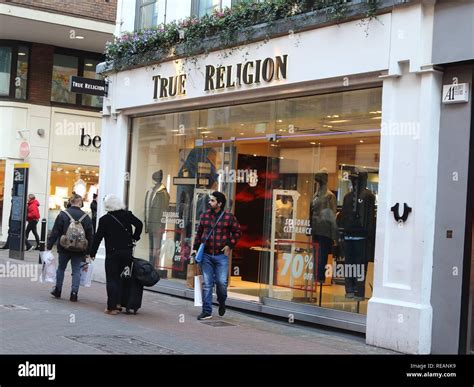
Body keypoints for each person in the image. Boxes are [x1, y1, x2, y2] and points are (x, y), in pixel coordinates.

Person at [90, 194, 143, 315]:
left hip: (112, 253)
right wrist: (135, 238)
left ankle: (112, 307)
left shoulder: (104, 220)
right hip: (127, 252)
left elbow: (97, 238)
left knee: (112, 279)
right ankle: (119, 303)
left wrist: (92, 253)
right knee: (122, 278)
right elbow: (139, 224)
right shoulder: (127, 215)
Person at [193, 191, 241, 320]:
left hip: (221, 256)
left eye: (212, 200)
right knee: (207, 284)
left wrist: (229, 245)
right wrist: (195, 248)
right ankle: (207, 311)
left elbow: (237, 232)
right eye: (210, 200)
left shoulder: (228, 217)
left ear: (219, 203)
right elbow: (199, 233)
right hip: (206, 255)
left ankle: (221, 301)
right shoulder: (205, 216)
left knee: (221, 282)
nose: (209, 202)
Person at [338, 168, 376, 300]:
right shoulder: (348, 197)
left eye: (356, 180)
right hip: (351, 237)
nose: (354, 183)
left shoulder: (368, 197)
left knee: (358, 265)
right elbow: (343, 218)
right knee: (351, 264)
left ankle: (358, 291)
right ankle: (350, 289)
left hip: (361, 238)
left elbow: (370, 220)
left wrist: (370, 240)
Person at [47, 194, 93, 302]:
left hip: (64, 247)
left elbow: (55, 231)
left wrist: (49, 245)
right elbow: (90, 235)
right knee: (76, 270)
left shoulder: (63, 214)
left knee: (61, 268)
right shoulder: (86, 217)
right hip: (80, 249)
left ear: (70, 202)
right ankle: (74, 293)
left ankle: (58, 290)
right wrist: (88, 252)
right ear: (80, 203)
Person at [309, 169, 338, 284]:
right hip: (316, 230)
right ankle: (316, 277)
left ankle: (320, 278)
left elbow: (332, 216)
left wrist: (334, 236)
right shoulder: (315, 195)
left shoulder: (330, 196)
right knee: (315, 255)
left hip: (325, 232)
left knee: (321, 256)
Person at [144, 170, 170, 268]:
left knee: (156, 247)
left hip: (157, 224)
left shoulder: (162, 193)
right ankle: (151, 265)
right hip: (151, 223)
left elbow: (163, 209)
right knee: (151, 247)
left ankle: (154, 266)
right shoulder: (151, 191)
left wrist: (161, 225)